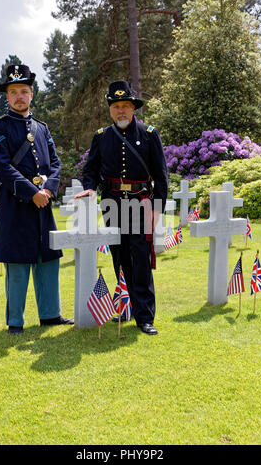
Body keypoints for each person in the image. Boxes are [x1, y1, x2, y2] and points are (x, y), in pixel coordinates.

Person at [75, 80, 168, 335]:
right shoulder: (101, 137)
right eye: (116, 106)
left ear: (133, 108)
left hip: (140, 204)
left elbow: (161, 176)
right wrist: (90, 188)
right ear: (110, 110)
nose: (121, 111)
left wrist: (157, 209)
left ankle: (144, 316)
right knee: (118, 254)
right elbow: (90, 170)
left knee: (140, 258)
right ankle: (123, 306)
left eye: (125, 105)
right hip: (111, 203)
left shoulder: (149, 134)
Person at [0, 64, 73, 334]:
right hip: (16, 205)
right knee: (18, 263)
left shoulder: (42, 128)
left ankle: (50, 315)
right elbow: (3, 167)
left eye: (24, 91)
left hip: (43, 205)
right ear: (7, 96)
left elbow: (55, 163)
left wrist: (47, 190)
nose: (19, 96)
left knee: (47, 259)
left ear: (32, 94)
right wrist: (31, 192)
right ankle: (15, 322)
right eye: (13, 92)